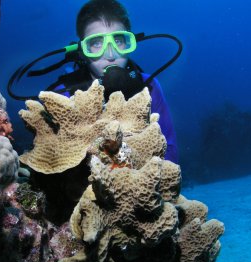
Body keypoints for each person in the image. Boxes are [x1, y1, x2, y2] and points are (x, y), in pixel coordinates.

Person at [46, 0, 179, 163]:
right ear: (82, 50)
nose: (110, 55)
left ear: (129, 43)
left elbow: (169, 148)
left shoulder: (149, 87)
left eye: (118, 41)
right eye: (96, 43)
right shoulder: (62, 95)